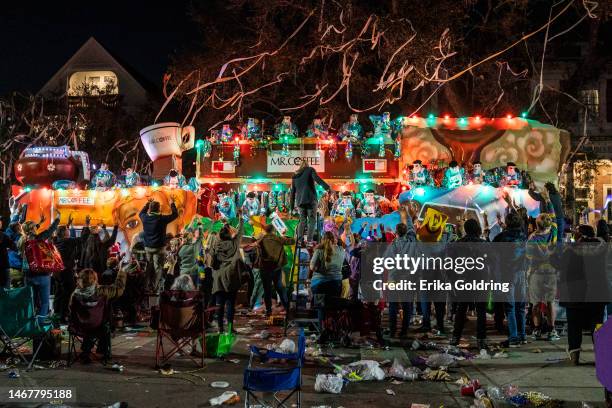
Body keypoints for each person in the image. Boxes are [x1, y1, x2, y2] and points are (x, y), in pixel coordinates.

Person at [558, 225, 609, 364]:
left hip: (574, 293)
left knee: (574, 326)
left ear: (579, 235)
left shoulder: (570, 250)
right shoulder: (603, 249)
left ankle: (575, 357)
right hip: (597, 292)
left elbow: (559, 265)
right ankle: (602, 357)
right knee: (597, 325)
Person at [70, 267, 127, 363]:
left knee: (90, 324)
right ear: (95, 279)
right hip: (98, 325)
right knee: (104, 323)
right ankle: (105, 351)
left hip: (79, 326)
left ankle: (86, 352)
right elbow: (119, 289)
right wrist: (122, 272)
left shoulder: (75, 294)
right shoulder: (102, 291)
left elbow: (70, 310)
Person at [450, 219, 489, 350]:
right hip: (481, 279)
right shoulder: (484, 244)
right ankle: (481, 340)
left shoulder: (458, 244)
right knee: (481, 311)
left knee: (461, 309)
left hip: (464, 279)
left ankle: (455, 337)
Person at [18, 211, 61, 322]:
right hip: (41, 274)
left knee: (31, 300)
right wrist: (57, 219)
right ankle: (40, 325)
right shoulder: (37, 239)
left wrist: (39, 223)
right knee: (44, 302)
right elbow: (49, 231)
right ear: (33, 229)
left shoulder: (22, 240)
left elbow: (29, 230)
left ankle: (31, 323)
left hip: (27, 275)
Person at [493, 211, 528, 347]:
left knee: (510, 307)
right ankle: (522, 335)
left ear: (507, 223)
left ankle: (513, 337)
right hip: (521, 273)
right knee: (520, 307)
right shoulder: (523, 236)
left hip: (507, 274)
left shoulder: (501, 237)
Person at [384, 205, 417, 338]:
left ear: (395, 232)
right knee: (407, 304)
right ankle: (404, 330)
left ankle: (392, 330)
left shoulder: (393, 245)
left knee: (393, 304)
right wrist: (407, 214)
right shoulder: (412, 241)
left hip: (394, 277)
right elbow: (411, 227)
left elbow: (386, 261)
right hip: (408, 277)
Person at [526, 213, 560, 341]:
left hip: (536, 272)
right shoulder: (554, 232)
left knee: (536, 302)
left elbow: (529, 257)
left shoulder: (532, 239)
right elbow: (554, 217)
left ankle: (537, 330)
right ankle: (552, 331)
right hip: (551, 271)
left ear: (537, 225)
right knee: (551, 302)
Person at [210, 209, 245, 332]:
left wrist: (224, 225)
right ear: (230, 235)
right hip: (231, 277)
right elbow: (240, 231)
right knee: (230, 304)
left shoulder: (216, 244)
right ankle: (230, 327)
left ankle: (220, 327)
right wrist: (240, 217)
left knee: (219, 304)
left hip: (218, 277)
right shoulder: (234, 244)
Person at [53, 214, 91, 321]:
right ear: (65, 233)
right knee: (68, 293)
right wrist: (86, 225)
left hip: (57, 272)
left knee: (58, 293)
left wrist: (68, 225)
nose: (69, 232)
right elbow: (83, 238)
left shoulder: (56, 240)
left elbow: (59, 234)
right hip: (66, 271)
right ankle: (64, 315)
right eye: (67, 230)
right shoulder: (67, 241)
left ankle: (56, 314)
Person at [309, 231, 345, 341]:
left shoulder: (319, 250)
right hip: (336, 283)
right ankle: (335, 333)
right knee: (334, 309)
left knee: (321, 309)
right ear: (334, 239)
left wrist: (321, 270)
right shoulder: (340, 250)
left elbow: (312, 267)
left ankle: (322, 333)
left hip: (320, 284)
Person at [139, 197, 179, 295]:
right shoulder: (161, 219)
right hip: (159, 248)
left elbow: (140, 213)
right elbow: (175, 214)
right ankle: (156, 289)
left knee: (148, 267)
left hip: (148, 247)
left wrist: (147, 203)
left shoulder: (144, 217)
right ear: (159, 209)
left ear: (150, 209)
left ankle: (145, 287)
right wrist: (172, 203)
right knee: (159, 268)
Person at [256, 224, 295, 316]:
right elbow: (292, 241)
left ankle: (268, 311)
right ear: (273, 231)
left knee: (267, 290)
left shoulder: (261, 240)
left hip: (264, 268)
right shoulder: (278, 238)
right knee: (281, 289)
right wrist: (283, 235)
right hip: (276, 268)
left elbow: (253, 243)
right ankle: (287, 309)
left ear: (266, 231)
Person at [290, 161, 330, 244]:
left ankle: (300, 241)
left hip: (300, 202)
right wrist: (327, 188)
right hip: (311, 200)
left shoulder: (295, 176)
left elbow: (292, 193)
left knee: (302, 221)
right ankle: (309, 241)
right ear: (307, 165)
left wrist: (291, 208)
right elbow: (317, 179)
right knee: (312, 221)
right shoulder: (310, 170)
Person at [0, 217, 17, 289]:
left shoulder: (4, 235)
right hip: (4, 266)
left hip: (4, 266)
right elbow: (14, 247)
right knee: (6, 290)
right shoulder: (3, 235)